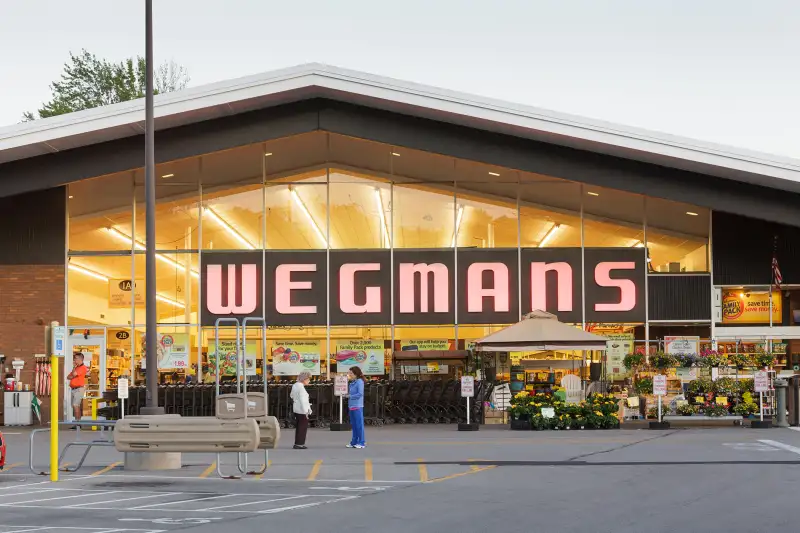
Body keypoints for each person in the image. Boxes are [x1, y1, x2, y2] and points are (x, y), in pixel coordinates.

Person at [290, 371, 312, 449]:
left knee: (299, 426)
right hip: (302, 410)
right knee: (303, 427)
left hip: (296, 408)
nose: (309, 381)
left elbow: (291, 395)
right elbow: (303, 400)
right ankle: (300, 443)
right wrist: (306, 411)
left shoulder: (295, 385)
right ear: (304, 379)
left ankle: (298, 443)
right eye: (308, 379)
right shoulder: (301, 387)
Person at [346, 366, 366, 449]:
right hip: (351, 405)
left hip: (357, 406)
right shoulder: (352, 382)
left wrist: (350, 396)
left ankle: (361, 442)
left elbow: (360, 394)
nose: (349, 374)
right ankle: (354, 442)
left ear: (355, 374)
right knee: (354, 425)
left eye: (351, 373)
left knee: (359, 425)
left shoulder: (359, 382)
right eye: (349, 373)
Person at [66, 352, 88, 425]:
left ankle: (78, 424)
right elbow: (68, 377)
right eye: (74, 358)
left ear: (80, 359)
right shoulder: (77, 368)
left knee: (76, 405)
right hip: (73, 389)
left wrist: (74, 370)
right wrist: (73, 373)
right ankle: (77, 423)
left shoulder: (83, 367)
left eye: (76, 358)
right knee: (74, 406)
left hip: (79, 389)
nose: (74, 360)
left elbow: (74, 374)